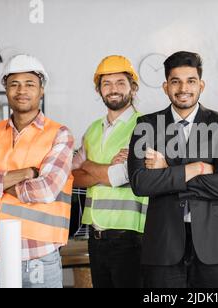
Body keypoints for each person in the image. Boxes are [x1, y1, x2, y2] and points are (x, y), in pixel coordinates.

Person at [128, 51, 218, 288]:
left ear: (201, 85)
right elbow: (141, 183)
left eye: (191, 81)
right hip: (164, 243)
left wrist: (168, 169)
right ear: (165, 86)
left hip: (215, 244)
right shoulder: (147, 126)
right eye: (175, 81)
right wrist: (198, 168)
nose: (183, 88)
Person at [0, 54, 74, 288]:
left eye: (29, 84)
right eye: (14, 84)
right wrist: (27, 173)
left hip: (40, 254)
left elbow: (46, 190)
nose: (21, 90)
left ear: (41, 90)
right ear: (6, 89)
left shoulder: (59, 134)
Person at [72, 55, 147, 288]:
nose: (113, 89)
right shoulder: (93, 129)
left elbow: (122, 176)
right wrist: (103, 170)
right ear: (99, 90)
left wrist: (87, 164)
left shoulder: (144, 126)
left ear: (133, 88)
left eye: (120, 83)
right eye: (106, 84)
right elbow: (74, 177)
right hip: (95, 236)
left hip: (130, 236)